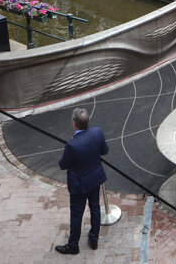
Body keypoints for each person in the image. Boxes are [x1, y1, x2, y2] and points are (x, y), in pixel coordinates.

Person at [55, 107, 109, 255]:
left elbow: (62, 165)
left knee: (77, 214)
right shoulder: (97, 132)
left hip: (79, 185)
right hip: (95, 179)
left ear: (74, 124)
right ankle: (94, 239)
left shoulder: (72, 145)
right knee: (95, 207)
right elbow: (104, 151)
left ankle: (73, 245)